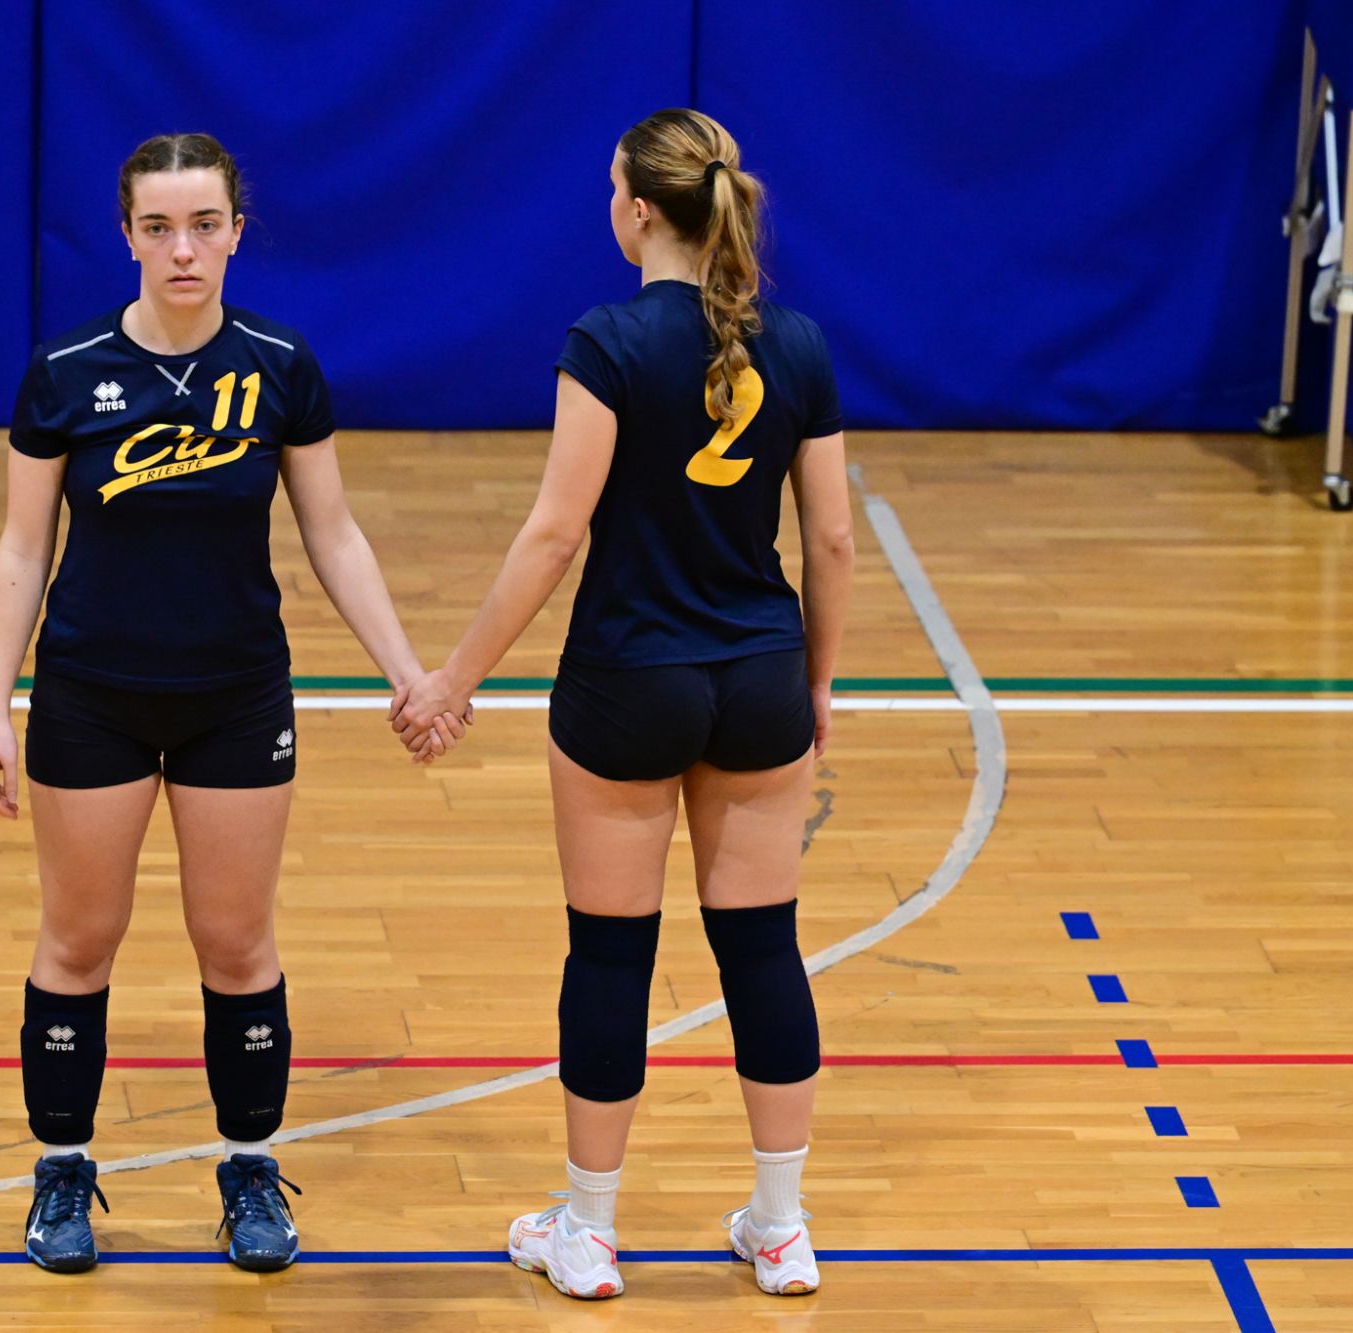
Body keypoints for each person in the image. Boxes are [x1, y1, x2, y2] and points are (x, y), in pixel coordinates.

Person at [0, 132, 459, 1277]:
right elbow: (20, 548)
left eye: (202, 225)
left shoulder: (279, 365)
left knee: (235, 944)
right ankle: (60, 1172)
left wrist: (406, 670)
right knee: (78, 940)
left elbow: (332, 535)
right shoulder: (64, 370)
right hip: (90, 695)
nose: (181, 249)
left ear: (237, 231)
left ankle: (248, 1171)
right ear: (127, 236)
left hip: (236, 698)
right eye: (159, 228)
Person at [392, 108, 855, 1300]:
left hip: (626, 680)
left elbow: (555, 533)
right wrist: (812, 683)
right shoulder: (799, 345)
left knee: (609, 953)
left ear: (639, 209)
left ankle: (587, 1233)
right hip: (757, 676)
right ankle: (781, 1227)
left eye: (611, 188)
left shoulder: (602, 341)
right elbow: (832, 541)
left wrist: (451, 682)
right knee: (762, 948)